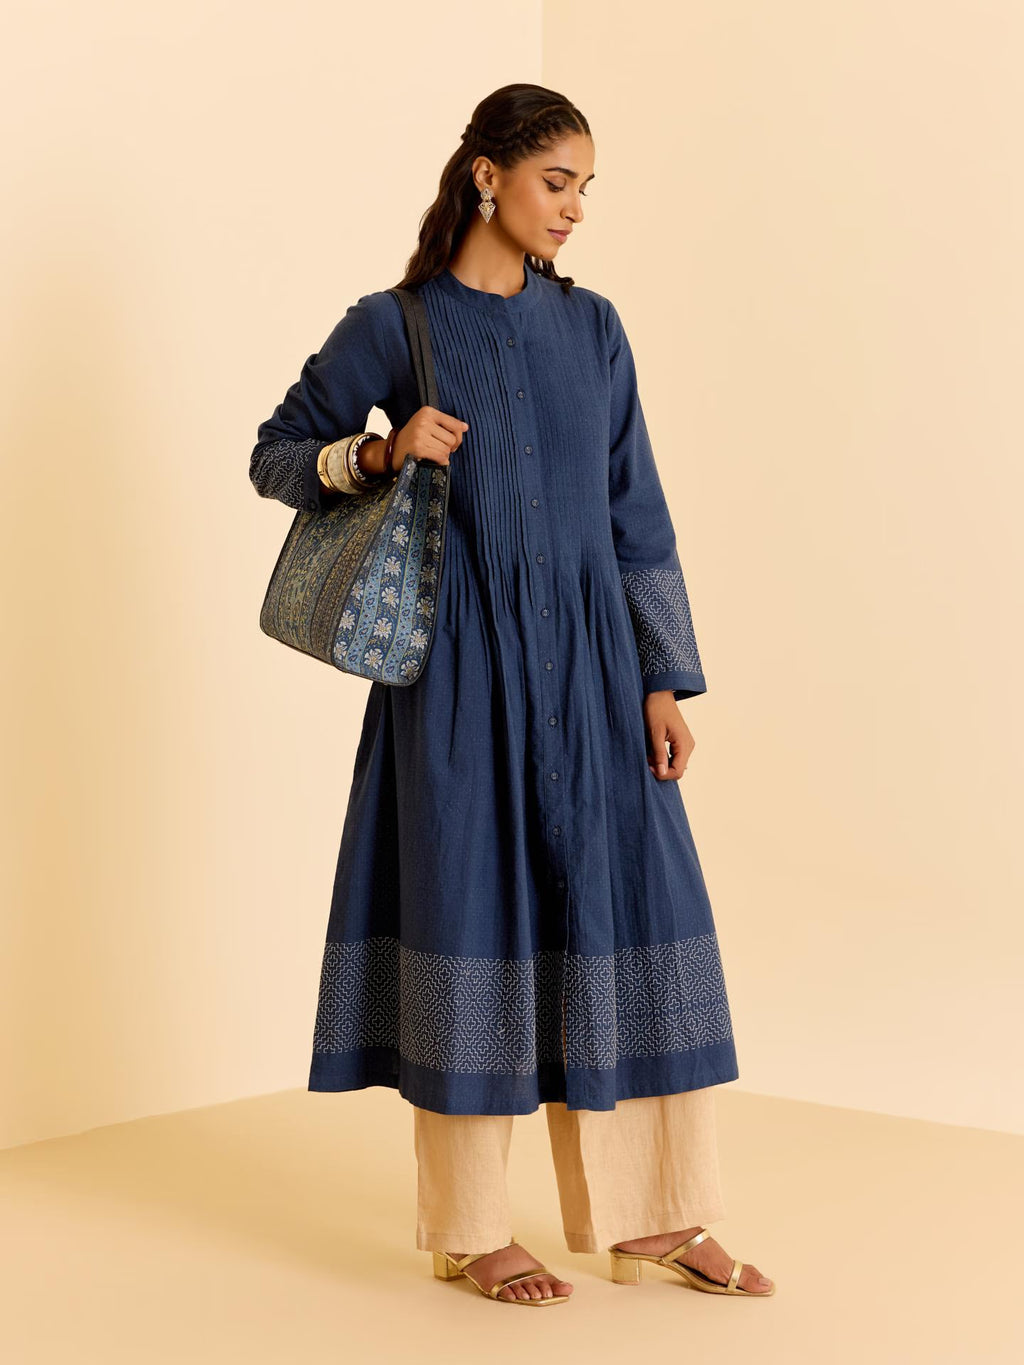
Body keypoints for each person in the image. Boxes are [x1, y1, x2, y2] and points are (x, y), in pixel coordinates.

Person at [249, 83, 774, 1306]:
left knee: (630, 918)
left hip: (597, 682)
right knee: (471, 920)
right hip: (460, 685)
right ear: (486, 175)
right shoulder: (397, 325)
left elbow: (637, 517)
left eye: (588, 188)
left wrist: (662, 679)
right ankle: (471, 1229)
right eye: (557, 182)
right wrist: (381, 450)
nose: (575, 210)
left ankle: (656, 1218)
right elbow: (277, 451)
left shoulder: (595, 333)